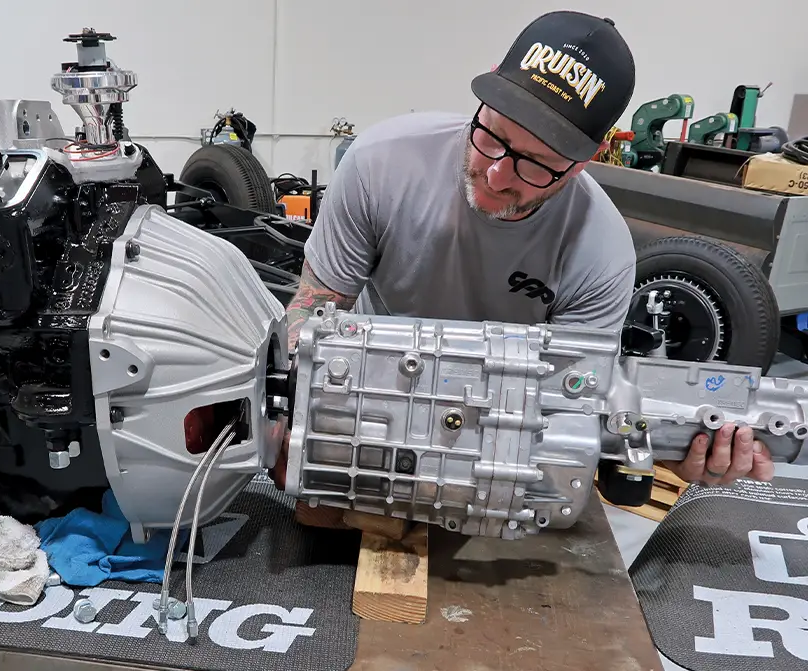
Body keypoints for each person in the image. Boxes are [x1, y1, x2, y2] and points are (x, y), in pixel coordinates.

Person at [274, 10, 774, 489]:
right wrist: (292, 401)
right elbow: (315, 310)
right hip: (365, 414)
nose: (496, 174)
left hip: (495, 448)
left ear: (585, 161)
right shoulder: (381, 164)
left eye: (535, 163)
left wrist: (667, 450)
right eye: (492, 135)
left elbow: (569, 411)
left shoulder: (600, 254)